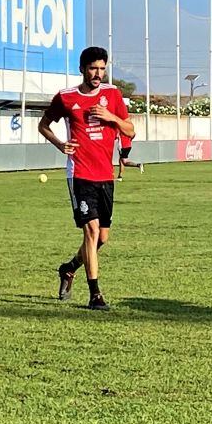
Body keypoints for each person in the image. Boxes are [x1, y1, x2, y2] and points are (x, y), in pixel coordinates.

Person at [40, 46, 134, 311]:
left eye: (102, 69)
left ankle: (69, 269)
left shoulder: (112, 95)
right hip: (79, 173)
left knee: (102, 238)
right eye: (93, 68)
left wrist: (111, 116)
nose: (98, 74)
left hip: (105, 175)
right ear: (82, 68)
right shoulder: (66, 98)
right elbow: (43, 125)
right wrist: (60, 144)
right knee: (91, 232)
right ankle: (95, 295)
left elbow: (130, 129)